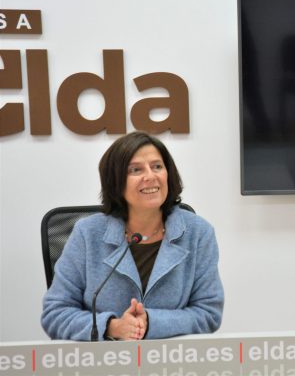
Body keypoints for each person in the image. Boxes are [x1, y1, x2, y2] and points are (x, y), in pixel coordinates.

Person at [41, 132, 224, 341]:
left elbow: (208, 313)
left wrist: (151, 323)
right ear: (115, 181)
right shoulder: (87, 233)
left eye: (157, 166)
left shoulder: (198, 233)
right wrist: (111, 327)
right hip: (105, 357)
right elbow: (55, 314)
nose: (150, 176)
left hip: (173, 357)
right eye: (136, 170)